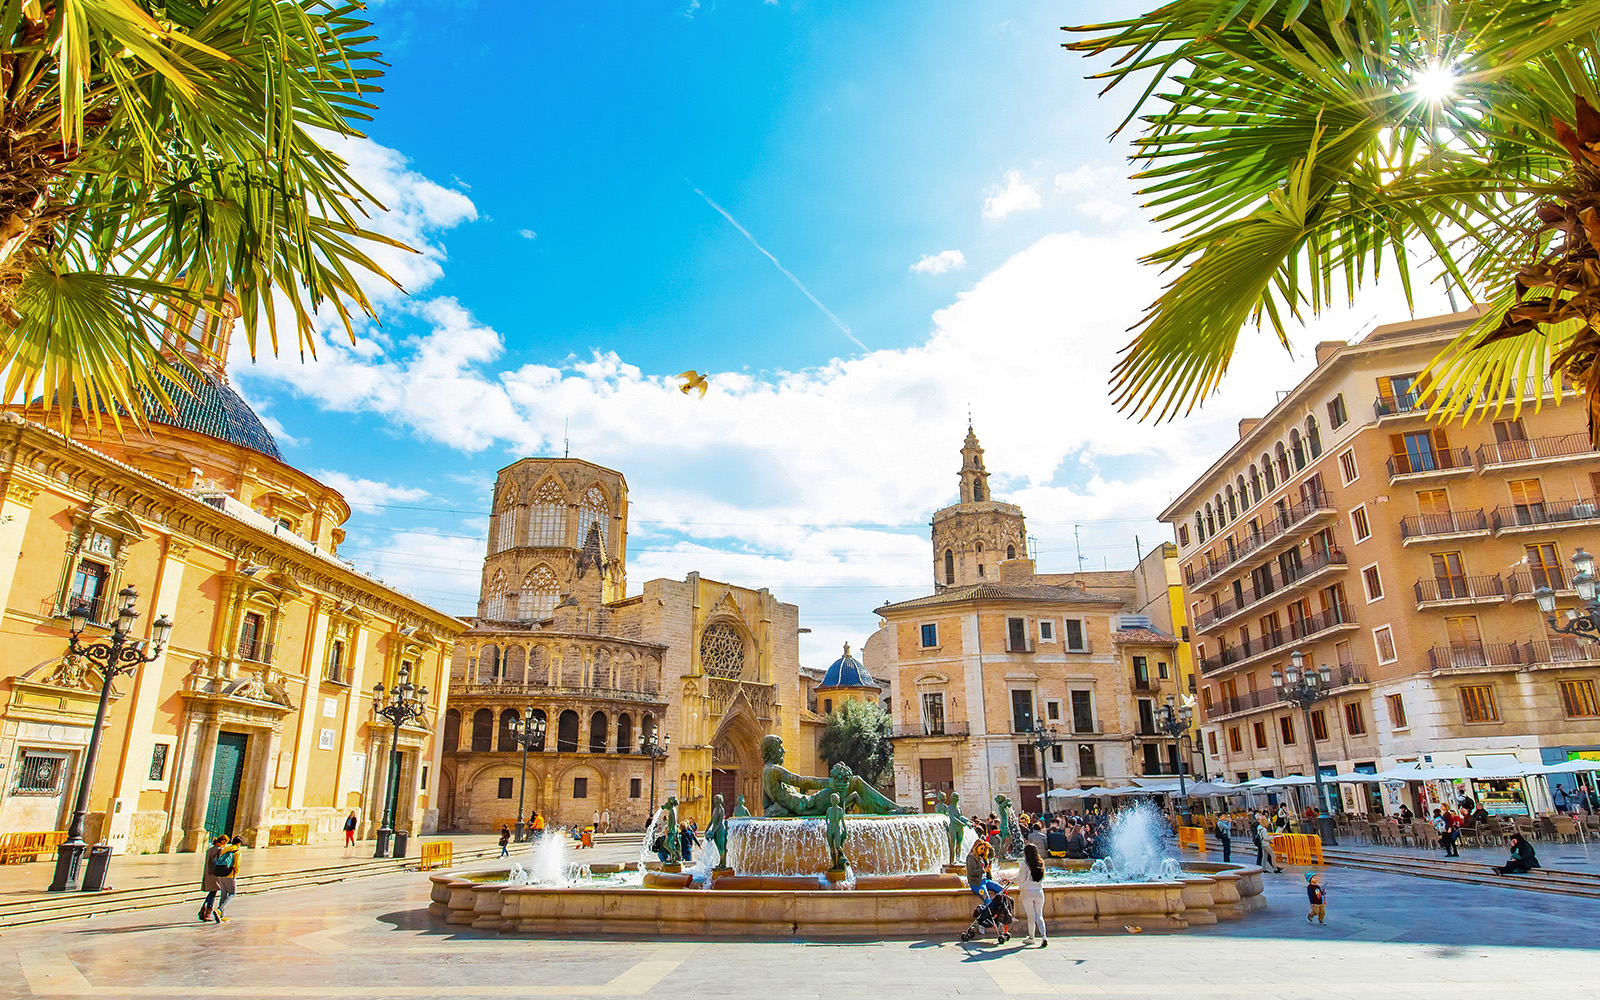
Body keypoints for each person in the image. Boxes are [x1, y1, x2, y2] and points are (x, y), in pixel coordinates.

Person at [199, 835, 240, 924]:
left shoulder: (210, 849)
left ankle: (203, 911)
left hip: (208, 873)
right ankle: (207, 913)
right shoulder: (220, 850)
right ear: (223, 842)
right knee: (213, 893)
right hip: (215, 874)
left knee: (212, 892)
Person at [1017, 842, 1048, 947]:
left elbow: (1021, 878)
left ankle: (1031, 937)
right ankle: (1044, 936)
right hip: (1039, 892)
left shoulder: (1024, 863)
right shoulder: (1040, 862)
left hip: (1027, 892)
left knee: (1031, 915)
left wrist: (1010, 880)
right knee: (1039, 915)